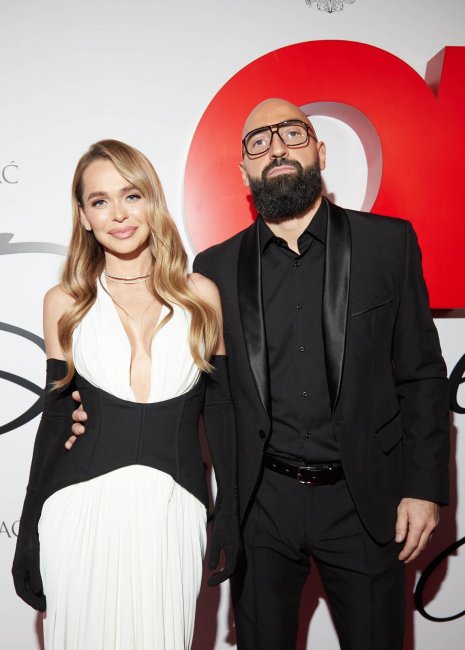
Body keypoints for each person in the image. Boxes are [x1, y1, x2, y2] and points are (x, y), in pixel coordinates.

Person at [69, 100, 450, 650]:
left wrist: (423, 487)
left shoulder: (386, 245)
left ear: (320, 151)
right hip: (260, 507)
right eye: (259, 141)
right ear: (244, 170)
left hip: (366, 501)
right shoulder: (214, 270)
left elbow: (421, 375)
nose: (276, 148)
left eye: (292, 134)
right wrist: (95, 417)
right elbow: (200, 390)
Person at [12, 139, 241, 650]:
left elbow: (221, 410)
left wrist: (229, 508)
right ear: (84, 216)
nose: (118, 214)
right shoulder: (65, 302)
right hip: (78, 512)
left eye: (131, 195)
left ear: (151, 201)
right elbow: (56, 421)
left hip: (173, 511)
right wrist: (28, 531)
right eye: (100, 201)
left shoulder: (199, 295)